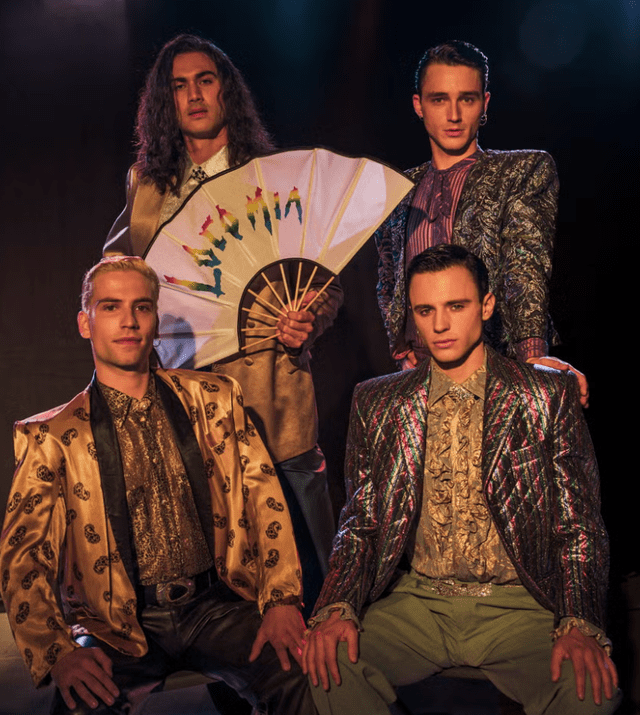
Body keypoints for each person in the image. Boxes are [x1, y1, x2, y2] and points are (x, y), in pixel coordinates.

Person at [303, 244, 618, 714]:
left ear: (486, 305)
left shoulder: (545, 396)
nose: (440, 325)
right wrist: (336, 605)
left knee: (593, 692)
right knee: (327, 664)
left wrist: (578, 621)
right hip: (419, 603)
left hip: (518, 605)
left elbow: (579, 527)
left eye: (456, 306)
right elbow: (362, 525)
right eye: (425, 310)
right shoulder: (378, 403)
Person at [0, 256, 315, 715]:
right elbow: (21, 556)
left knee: (305, 676)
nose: (128, 321)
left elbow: (263, 496)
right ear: (85, 324)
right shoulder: (49, 436)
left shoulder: (214, 399)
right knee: (80, 705)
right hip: (115, 625)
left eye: (142, 307)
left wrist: (282, 599)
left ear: (154, 319)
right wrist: (60, 651)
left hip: (217, 605)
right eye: (110, 307)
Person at [104, 33, 341, 614]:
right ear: (166, 102)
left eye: (205, 80)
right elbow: (118, 264)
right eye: (178, 86)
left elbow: (326, 282)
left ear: (226, 91)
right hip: (192, 404)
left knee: (307, 564)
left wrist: (307, 320)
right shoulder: (148, 185)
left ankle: (325, 688)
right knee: (225, 572)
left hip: (275, 394)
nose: (194, 95)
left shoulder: (274, 177)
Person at [375, 40, 589, 406]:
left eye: (467, 99)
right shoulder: (395, 192)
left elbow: (524, 265)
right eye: (439, 99)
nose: (454, 114)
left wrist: (532, 355)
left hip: (493, 371)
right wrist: (400, 345)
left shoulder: (520, 172)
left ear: (485, 104)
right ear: (419, 106)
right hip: (419, 378)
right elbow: (388, 278)